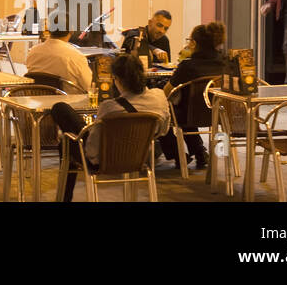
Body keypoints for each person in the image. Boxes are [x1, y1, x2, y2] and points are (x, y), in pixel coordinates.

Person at [50, 53, 169, 201]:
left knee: (63, 123)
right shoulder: (159, 97)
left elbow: (93, 148)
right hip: (140, 156)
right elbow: (163, 130)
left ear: (117, 79)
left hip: (106, 160)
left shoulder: (110, 107)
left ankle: (64, 199)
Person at [160, 23, 227, 169]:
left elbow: (166, 92)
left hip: (190, 115)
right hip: (220, 114)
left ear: (194, 43)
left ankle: (178, 155)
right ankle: (200, 152)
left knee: (160, 112)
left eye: (189, 40)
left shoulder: (187, 66)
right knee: (189, 110)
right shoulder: (225, 62)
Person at [25, 23, 93, 92]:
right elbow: (90, 86)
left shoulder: (33, 52)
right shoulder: (75, 56)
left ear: (48, 30)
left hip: (38, 100)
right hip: (69, 101)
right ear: (71, 31)